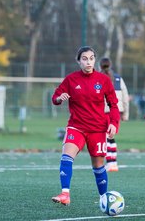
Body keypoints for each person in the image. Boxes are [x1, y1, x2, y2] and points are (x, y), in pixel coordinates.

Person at [51, 46, 120, 205]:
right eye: (84, 59)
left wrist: (114, 123)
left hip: (98, 129)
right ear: (78, 61)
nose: (88, 62)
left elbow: (114, 105)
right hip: (77, 126)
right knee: (66, 156)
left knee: (98, 166)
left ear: (94, 60)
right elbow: (55, 97)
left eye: (91, 58)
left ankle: (104, 199)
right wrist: (59, 98)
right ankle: (65, 194)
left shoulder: (103, 80)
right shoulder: (71, 79)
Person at [99, 57, 129, 172]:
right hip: (117, 111)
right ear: (110, 65)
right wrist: (125, 114)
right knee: (111, 136)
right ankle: (113, 163)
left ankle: (110, 162)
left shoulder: (98, 78)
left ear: (100, 66)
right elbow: (125, 97)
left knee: (105, 138)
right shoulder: (118, 79)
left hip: (104, 112)